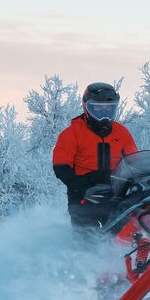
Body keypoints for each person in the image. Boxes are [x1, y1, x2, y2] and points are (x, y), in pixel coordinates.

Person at [52, 82, 138, 233]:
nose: (104, 114)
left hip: (115, 193)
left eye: (109, 109)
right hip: (84, 196)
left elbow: (135, 161)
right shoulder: (72, 133)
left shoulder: (121, 132)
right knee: (87, 239)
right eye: (98, 109)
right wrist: (81, 187)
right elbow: (60, 166)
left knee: (129, 231)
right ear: (87, 108)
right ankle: (79, 256)